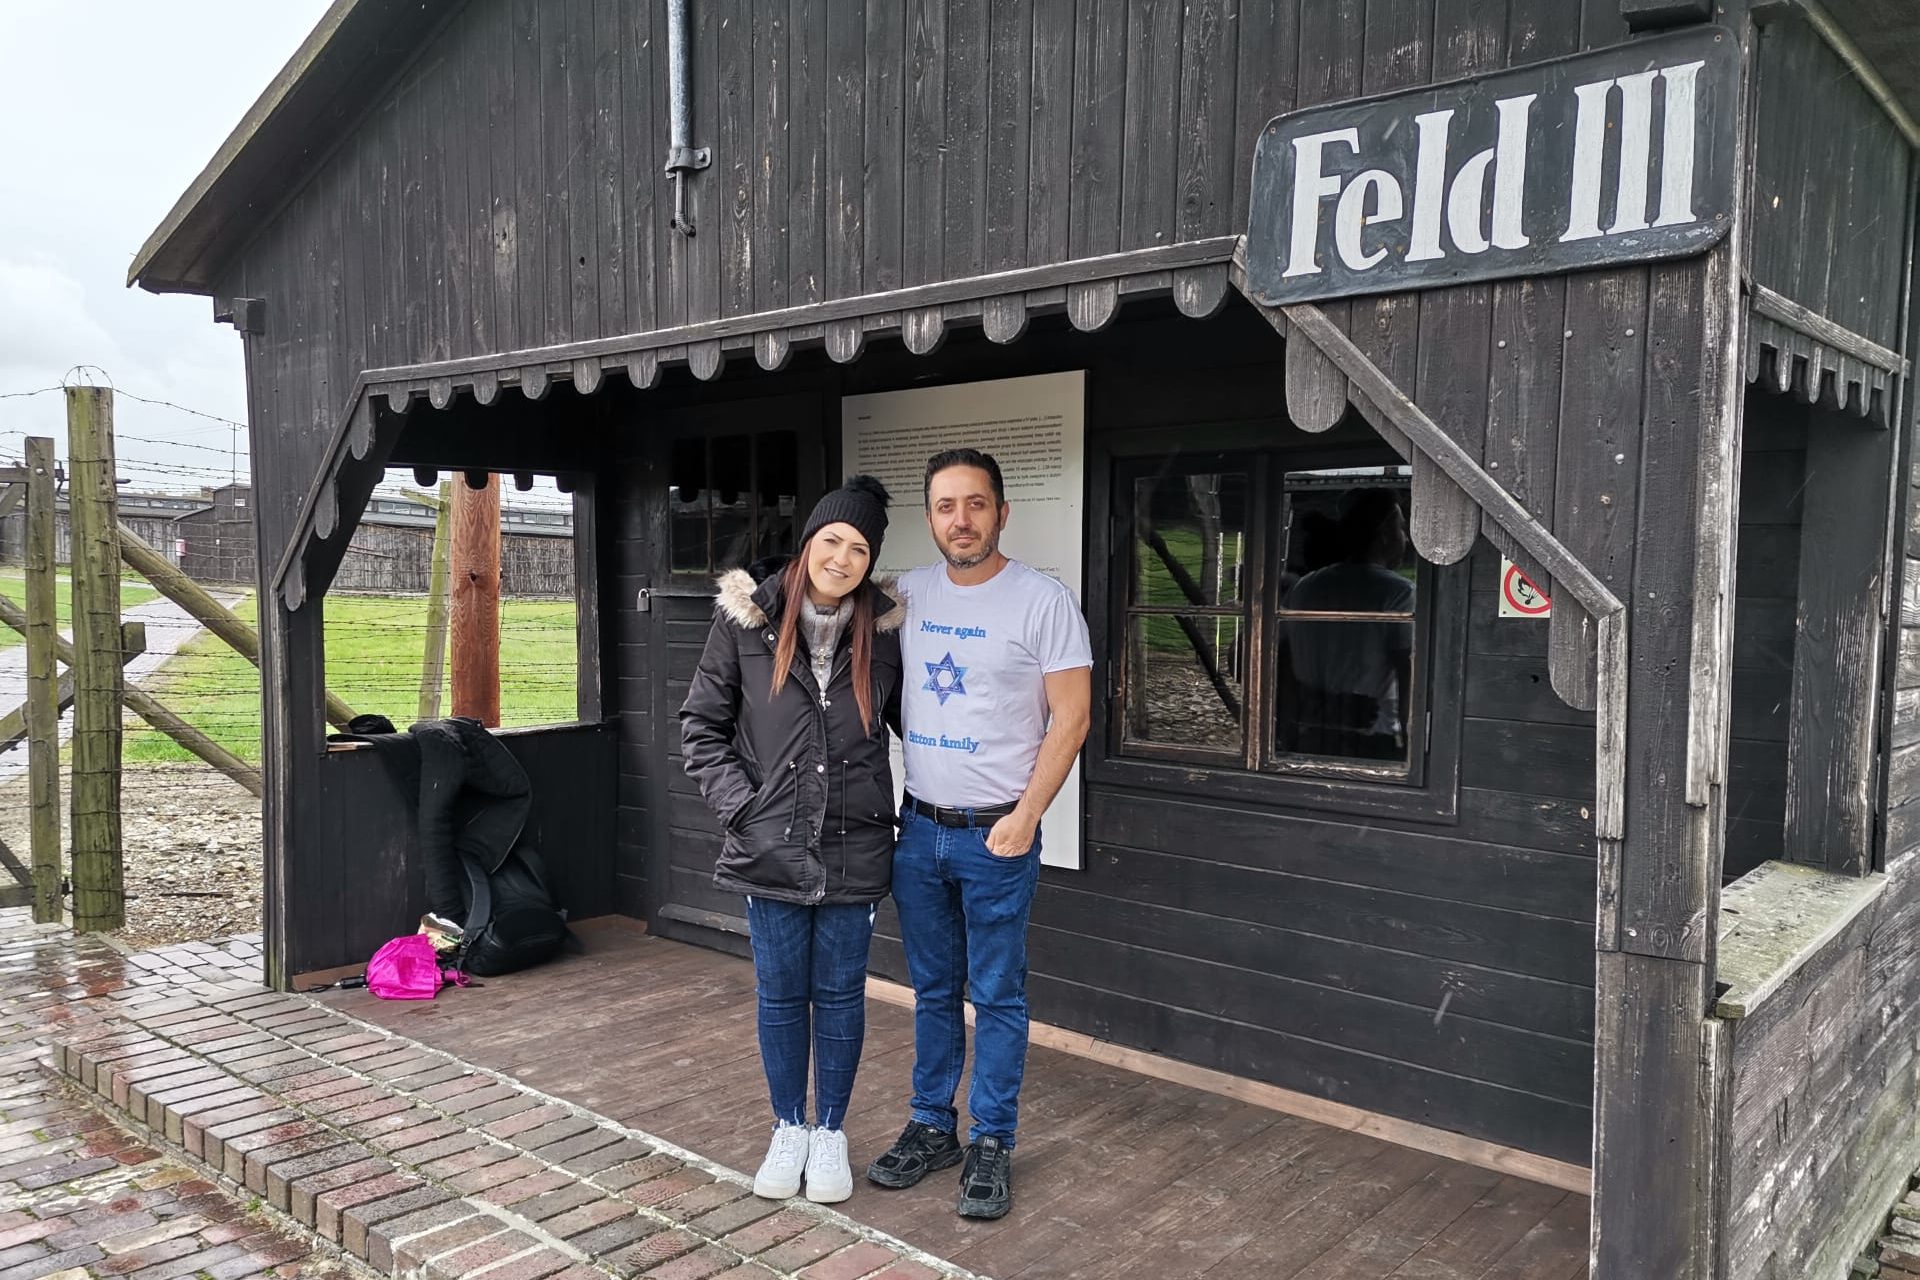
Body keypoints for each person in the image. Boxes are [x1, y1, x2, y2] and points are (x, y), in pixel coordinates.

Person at [865, 448, 1092, 1220]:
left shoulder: (1042, 601)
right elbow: (817, 601)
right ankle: (934, 1125)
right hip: (918, 830)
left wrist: (1026, 818)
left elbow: (1074, 715)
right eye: (944, 506)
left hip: (996, 836)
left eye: (975, 504)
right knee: (931, 990)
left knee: (996, 993)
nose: (959, 519)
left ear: (1001, 512)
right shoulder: (904, 593)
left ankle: (993, 1138)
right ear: (929, 517)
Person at [679, 475, 904, 1205]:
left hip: (854, 843)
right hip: (768, 845)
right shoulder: (745, 623)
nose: (843, 558)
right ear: (809, 543)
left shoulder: (887, 634)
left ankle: (830, 1131)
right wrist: (743, 810)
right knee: (780, 996)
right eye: (833, 540)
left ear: (871, 562)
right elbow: (701, 730)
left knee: (839, 996)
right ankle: (788, 1127)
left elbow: (918, 727)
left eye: (860, 548)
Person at [1277, 486, 1415, 761]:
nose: (1407, 539)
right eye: (1401, 528)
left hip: (1308, 734)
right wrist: (1411, 744)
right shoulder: (1400, 593)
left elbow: (1282, 659)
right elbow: (1408, 669)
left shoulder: (1304, 588)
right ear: (1384, 535)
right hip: (1375, 740)